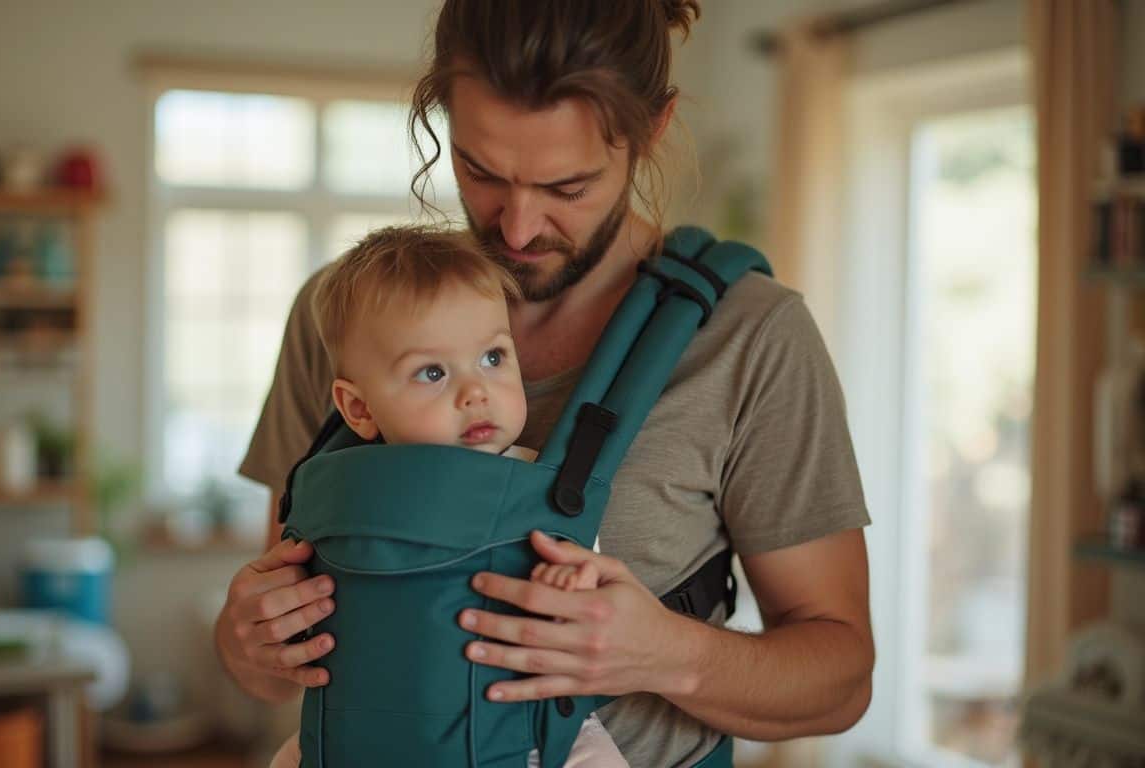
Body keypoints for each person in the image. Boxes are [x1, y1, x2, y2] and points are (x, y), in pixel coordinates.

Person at [217, 1, 874, 765]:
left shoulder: (750, 338)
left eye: (567, 186)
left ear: (652, 131)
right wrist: (245, 645)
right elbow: (275, 655)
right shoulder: (348, 323)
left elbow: (842, 679)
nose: (519, 228)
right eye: (481, 171)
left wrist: (663, 653)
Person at [266, 226, 628, 767]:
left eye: (493, 358)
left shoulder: (542, 485)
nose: (475, 391)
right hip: (365, 726)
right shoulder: (338, 492)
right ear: (359, 410)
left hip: (523, 732)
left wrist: (572, 584)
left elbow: (592, 599)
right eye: (432, 372)